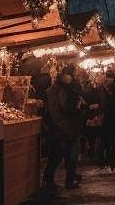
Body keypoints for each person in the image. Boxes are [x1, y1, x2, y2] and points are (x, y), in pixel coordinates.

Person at [43, 65, 85, 193]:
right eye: (71, 75)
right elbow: (66, 108)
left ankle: (52, 180)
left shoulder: (55, 90)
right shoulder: (61, 91)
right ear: (66, 76)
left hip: (59, 128)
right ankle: (66, 180)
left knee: (58, 155)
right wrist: (78, 105)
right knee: (66, 155)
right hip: (64, 127)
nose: (72, 78)